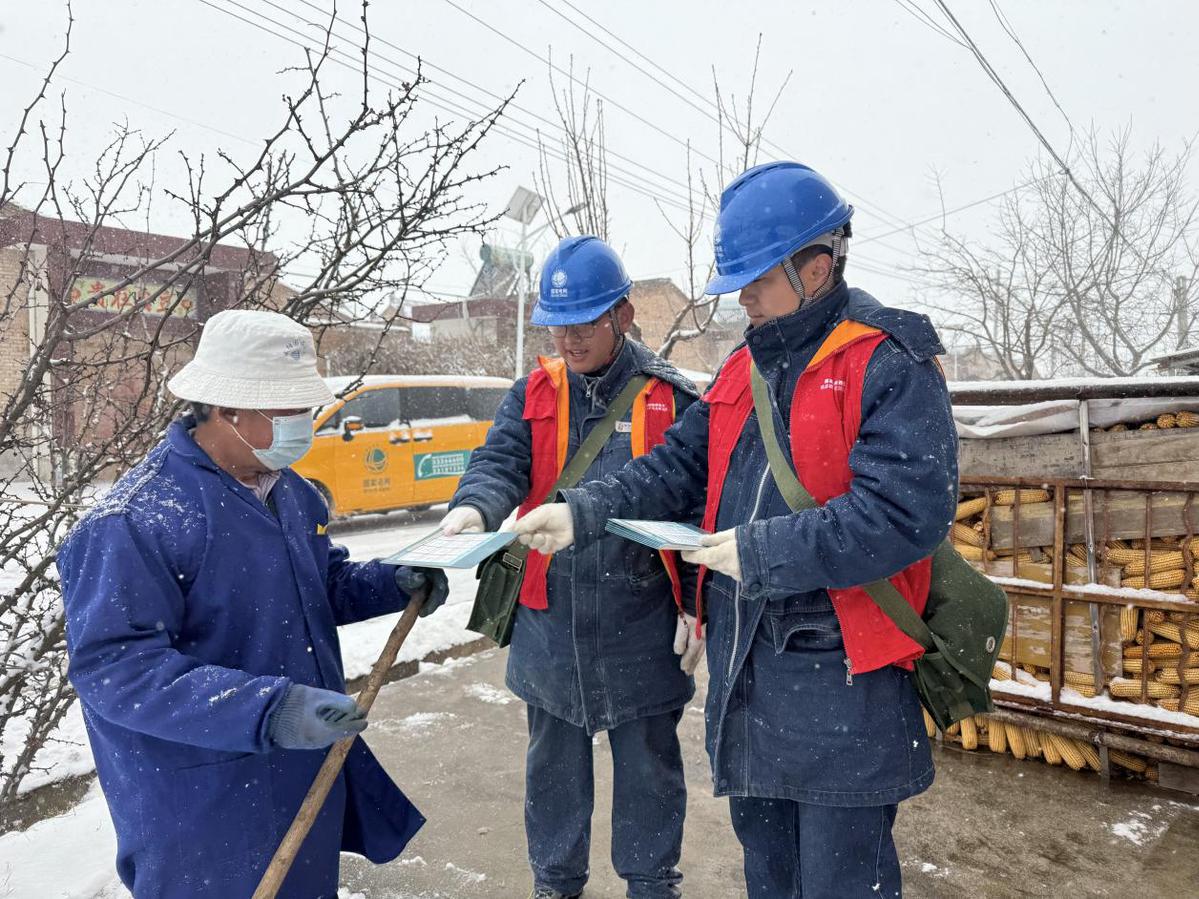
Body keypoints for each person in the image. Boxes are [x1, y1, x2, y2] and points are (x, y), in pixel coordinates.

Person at [512, 163, 959, 898]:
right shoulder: (743, 366)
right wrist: (581, 510)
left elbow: (903, 513)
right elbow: (673, 468)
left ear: (816, 269)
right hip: (748, 673)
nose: (741, 296)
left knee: (839, 878)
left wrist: (759, 551)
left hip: (842, 677)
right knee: (770, 876)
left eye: (756, 279)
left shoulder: (885, 359)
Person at [57, 309, 450, 899]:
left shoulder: (291, 492)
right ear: (226, 408)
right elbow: (116, 669)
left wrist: (389, 583)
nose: (303, 426)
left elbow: (315, 585)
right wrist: (267, 710)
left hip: (302, 776)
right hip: (203, 804)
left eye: (306, 409)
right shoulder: (135, 521)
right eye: (286, 412)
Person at [440, 236, 702, 899]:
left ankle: (651, 884)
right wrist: (473, 507)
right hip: (549, 619)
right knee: (552, 772)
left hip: (640, 618)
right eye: (558, 324)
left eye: (584, 321)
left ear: (622, 314)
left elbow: (696, 503)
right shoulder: (533, 390)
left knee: (648, 771)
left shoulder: (668, 399)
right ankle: (555, 884)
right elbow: (499, 462)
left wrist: (698, 605)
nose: (568, 338)